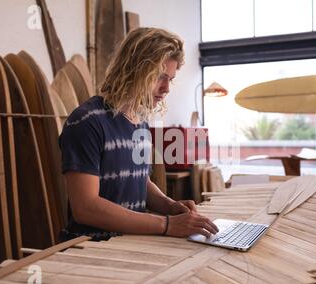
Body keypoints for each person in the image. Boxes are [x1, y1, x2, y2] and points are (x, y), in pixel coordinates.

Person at [59, 27, 218, 241]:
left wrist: (169, 206)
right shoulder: (87, 121)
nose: (166, 88)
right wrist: (167, 224)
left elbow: (140, 180)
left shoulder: (140, 123)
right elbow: (86, 208)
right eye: (160, 77)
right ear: (133, 69)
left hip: (130, 242)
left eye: (170, 79)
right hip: (90, 249)